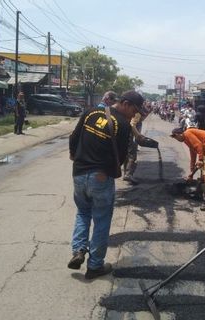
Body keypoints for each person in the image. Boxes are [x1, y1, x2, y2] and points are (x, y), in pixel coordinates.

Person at [67, 90, 146, 279]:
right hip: (100, 177)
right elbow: (120, 157)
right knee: (101, 220)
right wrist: (108, 173)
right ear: (125, 103)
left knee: (83, 212)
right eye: (135, 110)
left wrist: (75, 158)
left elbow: (73, 138)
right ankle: (94, 266)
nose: (135, 115)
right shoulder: (124, 125)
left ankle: (78, 250)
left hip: (79, 173)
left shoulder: (90, 112)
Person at [170, 127, 205, 211]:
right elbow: (193, 152)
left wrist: (200, 159)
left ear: (179, 134)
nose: (176, 139)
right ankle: (200, 192)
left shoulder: (187, 133)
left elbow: (198, 145)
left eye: (176, 137)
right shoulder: (186, 139)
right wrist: (191, 171)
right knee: (204, 168)